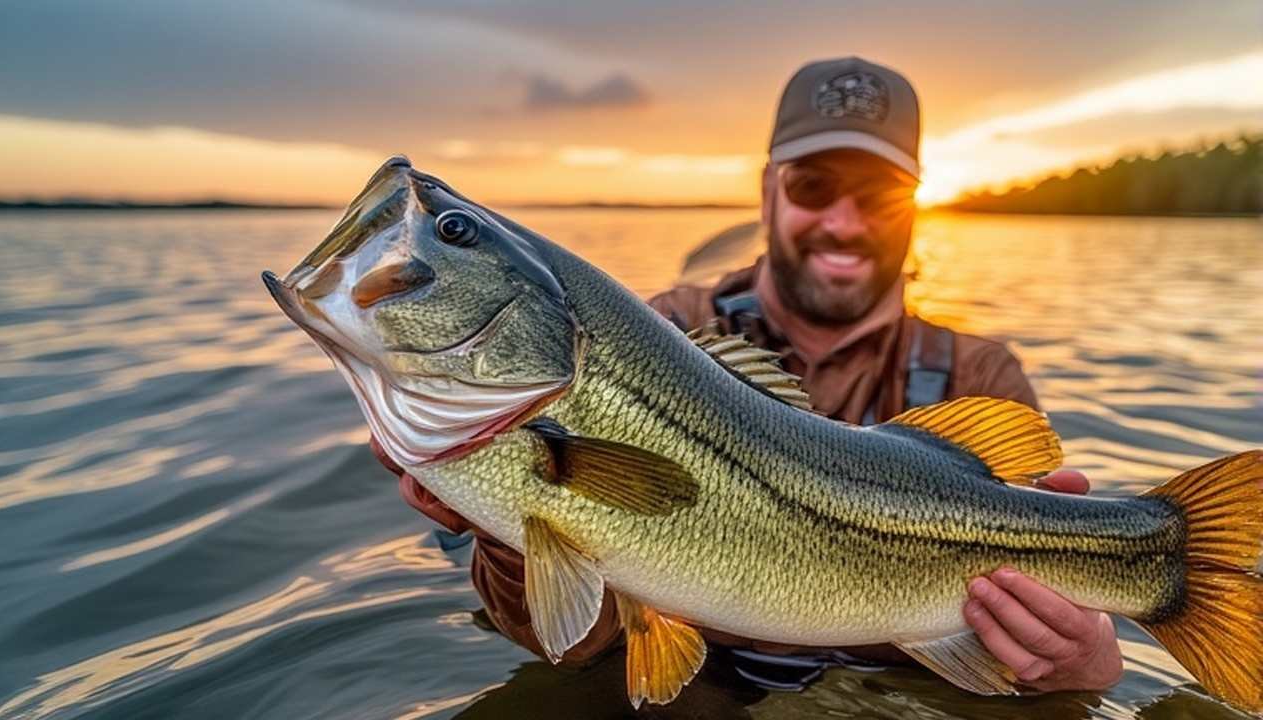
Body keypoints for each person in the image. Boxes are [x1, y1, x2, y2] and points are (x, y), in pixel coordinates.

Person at [372, 57, 1123, 694]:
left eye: (880, 195)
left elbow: (1067, 656)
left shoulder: (978, 374)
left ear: (918, 207)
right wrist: (511, 530)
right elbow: (580, 642)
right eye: (814, 186)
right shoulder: (657, 334)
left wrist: (1080, 660)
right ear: (767, 190)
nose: (844, 220)